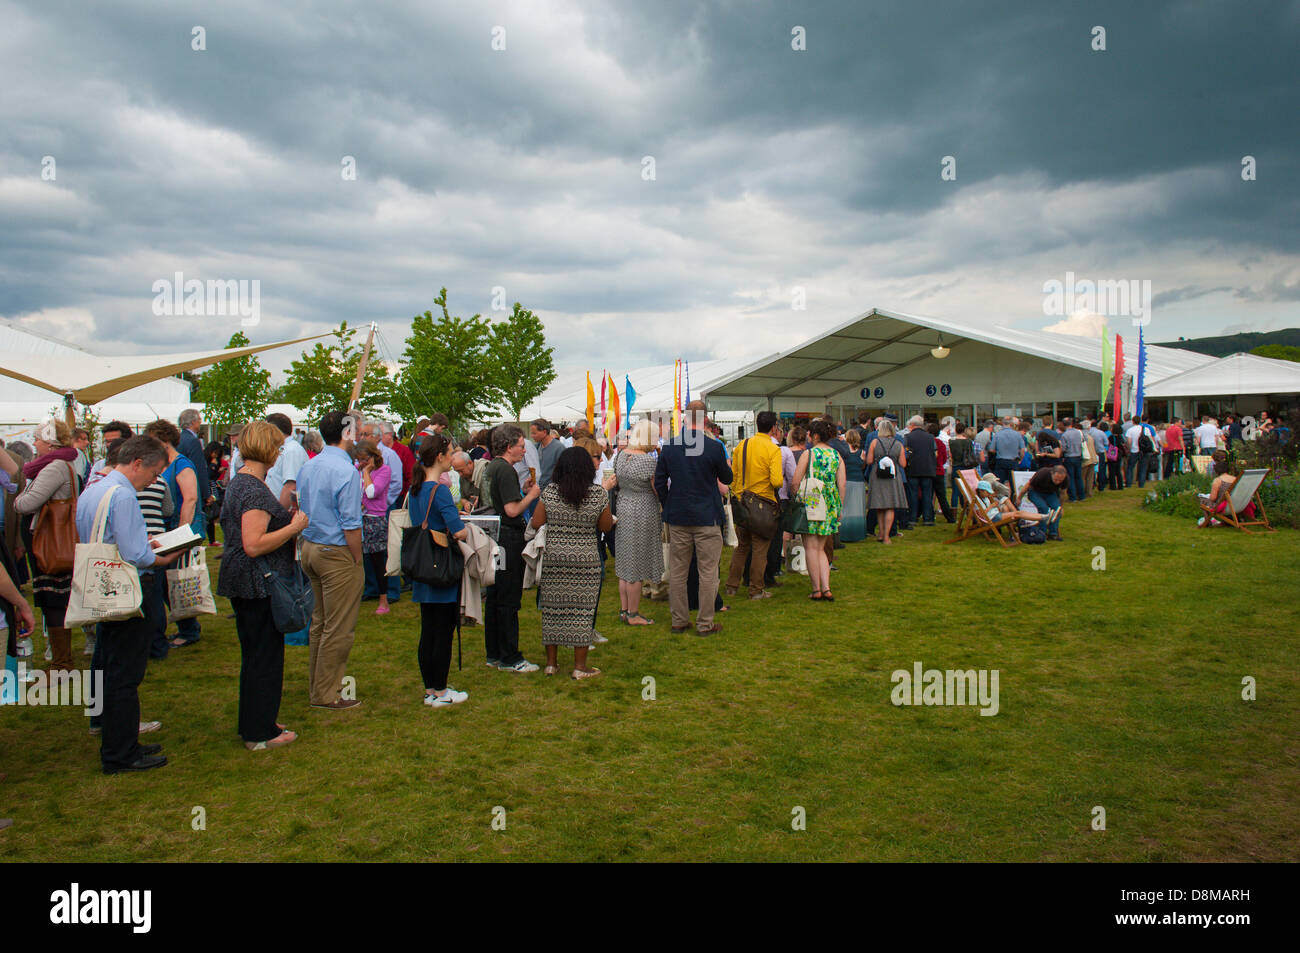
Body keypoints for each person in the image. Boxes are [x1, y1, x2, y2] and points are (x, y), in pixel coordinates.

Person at [75, 435, 183, 773]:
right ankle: (121, 753)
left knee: (108, 665)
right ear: (137, 464)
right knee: (125, 673)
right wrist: (165, 554)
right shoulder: (122, 495)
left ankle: (118, 740)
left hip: (103, 585)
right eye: (153, 473)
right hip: (125, 589)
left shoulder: (96, 487)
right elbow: (138, 555)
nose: (154, 481)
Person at [217, 421, 309, 749]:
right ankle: (260, 733)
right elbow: (253, 543)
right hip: (257, 582)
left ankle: (259, 720)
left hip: (247, 580)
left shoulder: (243, 482)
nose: (280, 453)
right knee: (263, 657)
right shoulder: (253, 489)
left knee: (257, 654)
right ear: (268, 449)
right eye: (277, 447)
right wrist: (293, 526)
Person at [296, 410, 365, 710]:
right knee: (337, 628)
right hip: (334, 551)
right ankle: (326, 693)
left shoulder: (310, 465)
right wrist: (357, 560)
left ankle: (318, 687)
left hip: (310, 547)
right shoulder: (346, 471)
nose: (360, 433)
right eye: (357, 428)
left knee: (321, 623)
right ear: (348, 432)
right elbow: (351, 523)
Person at [531, 446, 612, 678]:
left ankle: (551, 664)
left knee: (552, 610)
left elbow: (537, 522)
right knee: (583, 613)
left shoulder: (550, 492)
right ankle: (580, 667)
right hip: (586, 559)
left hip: (555, 558)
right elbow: (605, 526)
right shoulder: (598, 494)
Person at [653, 400, 733, 635]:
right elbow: (727, 478)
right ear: (705, 419)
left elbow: (659, 481)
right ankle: (704, 623)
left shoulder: (670, 446)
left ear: (686, 418)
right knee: (708, 572)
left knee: (678, 570)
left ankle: (679, 620)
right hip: (706, 515)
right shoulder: (714, 447)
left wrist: (669, 503)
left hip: (679, 515)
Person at [406, 434, 471, 705]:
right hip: (440, 565)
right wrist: (463, 526)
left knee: (429, 630)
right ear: (440, 457)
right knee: (442, 631)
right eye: (450, 452)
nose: (453, 455)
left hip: (421, 564)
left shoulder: (416, 488)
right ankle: (440, 690)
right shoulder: (439, 489)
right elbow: (459, 532)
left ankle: (431, 688)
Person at [14, 420, 81, 673]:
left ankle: (62, 663)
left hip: (50, 543)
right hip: (53, 540)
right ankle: (61, 660)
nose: (34, 443)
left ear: (50, 442)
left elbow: (26, 504)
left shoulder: (54, 467)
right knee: (54, 600)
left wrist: (18, 497)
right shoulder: (63, 464)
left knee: (53, 600)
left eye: (38, 439)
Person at [482, 425, 541, 672]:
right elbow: (512, 510)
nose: (523, 450)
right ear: (508, 447)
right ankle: (510, 657)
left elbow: (500, 500)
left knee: (495, 596)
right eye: (520, 445)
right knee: (508, 598)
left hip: (494, 537)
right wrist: (533, 495)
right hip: (507, 538)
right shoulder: (504, 469)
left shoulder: (490, 467)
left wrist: (522, 492)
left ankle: (494, 652)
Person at [144, 419, 204, 649]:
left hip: (181, 531)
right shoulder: (166, 464)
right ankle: (185, 627)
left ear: (164, 440)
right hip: (169, 531)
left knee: (178, 582)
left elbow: (190, 498)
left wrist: (181, 533)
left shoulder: (182, 464)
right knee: (168, 583)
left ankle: (189, 630)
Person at [724, 411, 784, 601]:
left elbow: (732, 477)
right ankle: (756, 589)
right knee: (760, 549)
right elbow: (777, 481)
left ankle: (731, 586)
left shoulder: (743, 445)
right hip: (763, 505)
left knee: (742, 547)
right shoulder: (773, 449)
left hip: (743, 504)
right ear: (774, 428)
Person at [611, 419, 663, 625]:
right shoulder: (649, 462)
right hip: (643, 511)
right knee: (637, 565)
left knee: (625, 562)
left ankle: (624, 610)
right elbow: (657, 489)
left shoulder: (621, 456)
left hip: (624, 506)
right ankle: (633, 614)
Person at [791, 418, 845, 599]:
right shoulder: (837, 455)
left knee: (811, 547)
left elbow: (796, 481)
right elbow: (842, 484)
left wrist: (796, 497)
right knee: (821, 548)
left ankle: (816, 589)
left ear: (814, 436)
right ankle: (826, 587)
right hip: (830, 502)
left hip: (813, 500)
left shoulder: (809, 454)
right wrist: (839, 507)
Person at [354, 440, 393, 616]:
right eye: (359, 459)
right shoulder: (356, 470)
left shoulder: (384, 471)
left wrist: (367, 472)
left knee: (378, 561)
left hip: (375, 520)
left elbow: (371, 493)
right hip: (359, 518)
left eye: (363, 459)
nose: (360, 462)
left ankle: (384, 599)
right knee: (358, 560)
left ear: (372, 457)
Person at [866, 418, 907, 545]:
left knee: (879, 506)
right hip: (893, 476)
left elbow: (869, 461)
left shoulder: (874, 442)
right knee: (890, 506)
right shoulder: (898, 444)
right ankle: (887, 537)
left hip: (877, 475)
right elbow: (903, 464)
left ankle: (881, 533)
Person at [178, 409, 213, 539]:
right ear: (193, 422)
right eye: (199, 420)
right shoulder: (193, 441)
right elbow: (200, 468)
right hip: (193, 488)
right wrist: (207, 493)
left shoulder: (180, 439)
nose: (200, 422)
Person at [1017, 465, 1068, 541]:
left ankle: (1053, 534)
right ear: (1051, 473)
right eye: (1056, 479)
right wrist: (1019, 498)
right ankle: (1042, 532)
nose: (1058, 482)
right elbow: (1027, 486)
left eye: (1060, 481)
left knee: (1057, 509)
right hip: (1035, 491)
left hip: (1050, 493)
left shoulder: (1066, 479)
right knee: (1043, 508)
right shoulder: (1042, 473)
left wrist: (1061, 507)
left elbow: (1063, 494)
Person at [990, 418, 1024, 486]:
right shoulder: (1017, 435)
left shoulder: (997, 434)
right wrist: (1020, 459)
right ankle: (1013, 496)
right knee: (1014, 484)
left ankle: (1001, 496)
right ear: (1011, 424)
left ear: (1002, 424)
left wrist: (999, 451)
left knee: (999, 484)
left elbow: (991, 450)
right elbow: (1022, 450)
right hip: (1013, 461)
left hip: (1001, 461)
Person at [1058, 418, 1085, 502]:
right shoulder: (1078, 432)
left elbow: (1064, 448)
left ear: (1063, 425)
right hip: (1078, 455)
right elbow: (1083, 442)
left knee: (1071, 477)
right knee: (1078, 476)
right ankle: (1081, 495)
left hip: (1069, 457)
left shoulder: (1065, 435)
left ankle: (1073, 497)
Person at [204, 441, 225, 545]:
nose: (215, 456)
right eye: (215, 453)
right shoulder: (207, 461)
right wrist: (213, 465)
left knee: (211, 514)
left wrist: (217, 472)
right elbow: (207, 476)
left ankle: (212, 540)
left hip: (212, 489)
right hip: (207, 489)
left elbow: (213, 477)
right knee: (208, 514)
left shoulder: (216, 461)